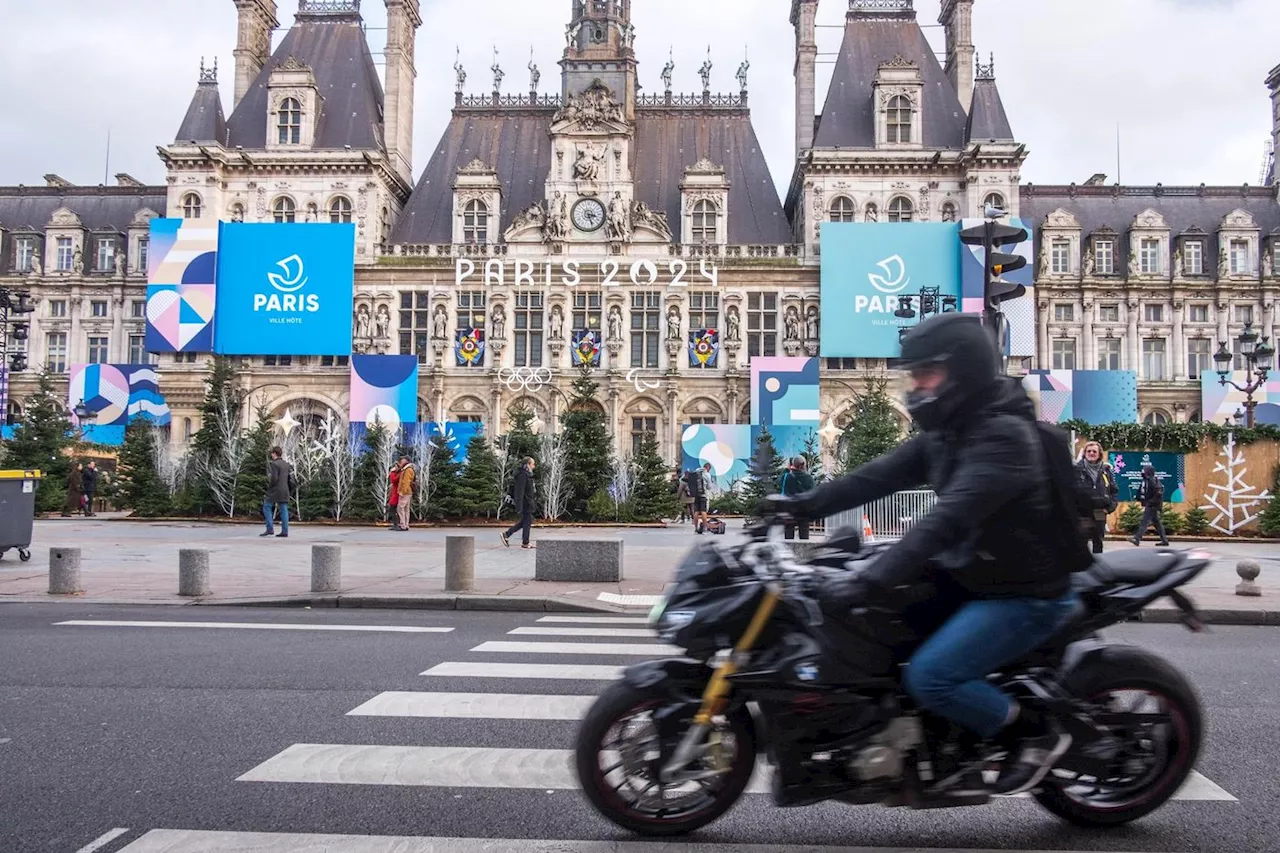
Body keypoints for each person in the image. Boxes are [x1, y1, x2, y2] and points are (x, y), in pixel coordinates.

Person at [770, 313, 1079, 796]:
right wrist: (798, 505)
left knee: (932, 677)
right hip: (972, 575)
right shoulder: (949, 432)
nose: (915, 387)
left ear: (964, 372)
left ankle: (1032, 732)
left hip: (1022, 592)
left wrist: (869, 579)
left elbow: (945, 521)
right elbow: (876, 477)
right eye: (912, 375)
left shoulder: (1002, 436)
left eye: (925, 374)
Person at [1075, 441, 1117, 554]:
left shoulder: (1106, 470)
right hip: (1082, 512)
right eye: (1088, 451)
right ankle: (1081, 568)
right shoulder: (1076, 469)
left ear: (1099, 454)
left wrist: (1110, 508)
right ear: (1084, 453)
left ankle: (1098, 566)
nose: (1091, 453)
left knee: (1098, 541)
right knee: (1081, 542)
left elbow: (1114, 491)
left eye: (1094, 451)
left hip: (1100, 511)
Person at [501, 457, 537, 549]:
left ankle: (507, 534)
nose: (534, 466)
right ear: (528, 464)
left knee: (524, 522)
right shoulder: (523, 476)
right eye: (532, 464)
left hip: (528, 502)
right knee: (527, 522)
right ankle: (525, 542)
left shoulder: (526, 475)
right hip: (526, 503)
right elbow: (519, 491)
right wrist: (519, 506)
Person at [1132, 463, 1169, 546]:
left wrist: (1151, 502)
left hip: (1152, 505)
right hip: (1151, 504)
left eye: (1144, 470)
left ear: (1148, 472)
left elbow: (1158, 492)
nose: (1143, 471)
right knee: (1157, 523)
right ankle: (1164, 540)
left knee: (1144, 521)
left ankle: (1137, 538)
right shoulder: (1146, 480)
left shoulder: (1152, 480)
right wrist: (1139, 497)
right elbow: (1143, 491)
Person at [779, 456, 815, 540]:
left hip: (789, 510)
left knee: (788, 534)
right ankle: (804, 551)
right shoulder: (808, 478)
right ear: (804, 465)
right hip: (804, 510)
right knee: (804, 534)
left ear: (793, 465)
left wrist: (787, 469)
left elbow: (778, 482)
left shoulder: (786, 477)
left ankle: (788, 551)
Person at [261, 446, 292, 538]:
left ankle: (270, 528)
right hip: (284, 489)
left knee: (267, 506)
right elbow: (289, 478)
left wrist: (269, 487)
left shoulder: (274, 464)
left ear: (274, 453)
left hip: (275, 490)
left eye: (272, 453)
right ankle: (285, 531)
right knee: (284, 509)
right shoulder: (286, 464)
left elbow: (274, 478)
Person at [396, 456, 416, 532]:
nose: (401, 460)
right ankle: (406, 524)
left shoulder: (407, 470)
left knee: (400, 508)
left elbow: (406, 482)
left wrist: (402, 492)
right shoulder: (408, 468)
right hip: (408, 491)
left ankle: (403, 525)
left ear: (407, 460)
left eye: (403, 459)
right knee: (406, 509)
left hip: (405, 491)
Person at [387, 460, 403, 531]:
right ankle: (395, 524)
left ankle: (397, 524)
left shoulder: (399, 474)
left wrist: (392, 472)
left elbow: (394, 480)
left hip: (397, 493)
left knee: (393, 508)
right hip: (394, 492)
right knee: (393, 509)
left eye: (396, 466)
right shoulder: (398, 473)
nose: (394, 468)